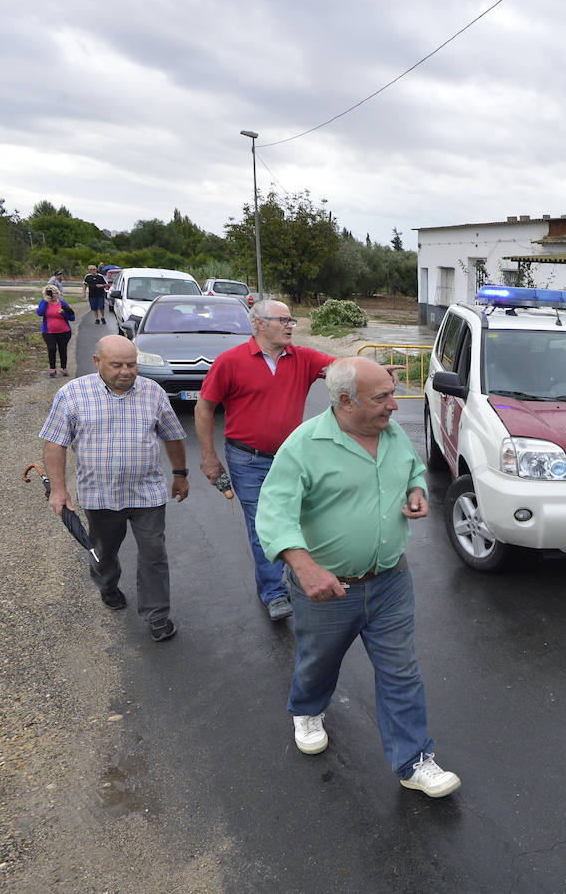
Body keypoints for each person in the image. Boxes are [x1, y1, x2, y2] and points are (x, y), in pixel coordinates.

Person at [256, 357, 460, 798]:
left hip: (390, 580)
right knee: (319, 661)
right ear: (345, 401)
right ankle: (307, 710)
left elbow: (412, 470)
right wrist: (304, 567)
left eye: (392, 391)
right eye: (383, 396)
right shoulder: (304, 446)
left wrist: (417, 492)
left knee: (401, 671)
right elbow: (273, 513)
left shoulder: (393, 433)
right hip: (328, 589)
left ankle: (413, 760)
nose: (394, 403)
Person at [38, 335, 190, 642]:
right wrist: (58, 490)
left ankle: (157, 615)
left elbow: (172, 436)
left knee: (153, 554)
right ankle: (107, 585)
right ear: (97, 363)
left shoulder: (153, 393)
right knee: (104, 553)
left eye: (132, 364)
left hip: (147, 493)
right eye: (117, 364)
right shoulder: (72, 395)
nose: (126, 371)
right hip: (99, 495)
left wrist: (180, 474)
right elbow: (55, 444)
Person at [196, 299, 335, 622]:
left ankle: (295, 576)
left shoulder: (304, 358)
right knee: (264, 527)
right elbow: (204, 409)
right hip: (247, 461)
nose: (290, 325)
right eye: (283, 320)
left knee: (300, 521)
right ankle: (274, 592)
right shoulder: (230, 361)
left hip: (293, 459)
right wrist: (209, 458)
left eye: (291, 320)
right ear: (259, 323)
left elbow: (342, 369)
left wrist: (372, 373)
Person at [36, 284, 75, 377]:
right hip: (48, 332)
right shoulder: (43, 302)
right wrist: (46, 301)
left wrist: (64, 313)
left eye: (53, 292)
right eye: (48, 292)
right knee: (51, 349)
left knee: (62, 349)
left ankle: (63, 368)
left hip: (64, 331)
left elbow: (72, 317)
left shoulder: (63, 304)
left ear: (57, 293)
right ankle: (52, 369)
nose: (51, 295)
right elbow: (40, 313)